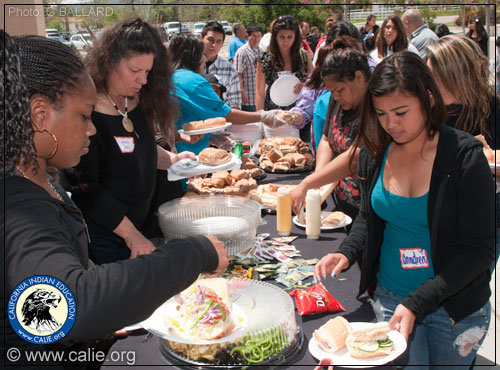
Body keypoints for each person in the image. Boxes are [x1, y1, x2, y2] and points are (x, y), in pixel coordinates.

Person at [2, 30, 228, 368]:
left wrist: (110, 314)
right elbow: (63, 306)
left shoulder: (39, 181)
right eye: (83, 115)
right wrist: (195, 252)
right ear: (39, 115)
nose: (91, 129)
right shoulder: (19, 206)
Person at [314, 52, 494, 367]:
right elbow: (370, 216)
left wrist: (417, 303)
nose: (391, 124)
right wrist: (347, 251)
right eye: (381, 114)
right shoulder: (376, 150)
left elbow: (479, 252)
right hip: (391, 299)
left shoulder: (464, 158)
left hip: (453, 311)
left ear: (428, 98)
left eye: (400, 112)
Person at [69, 18, 197, 264]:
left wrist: (173, 160)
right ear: (109, 62)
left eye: (148, 71)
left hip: (141, 227)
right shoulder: (89, 113)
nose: (144, 80)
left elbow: (140, 149)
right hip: (107, 238)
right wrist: (132, 235)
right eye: (135, 71)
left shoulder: (137, 100)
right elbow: (86, 190)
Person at [426, 35, 500, 270]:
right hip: (436, 224)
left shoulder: (493, 110)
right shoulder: (427, 112)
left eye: (434, 77)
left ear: (456, 76)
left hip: (485, 227)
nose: (428, 85)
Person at [291, 37, 371, 223]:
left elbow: (356, 156)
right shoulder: (337, 98)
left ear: (359, 77)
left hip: (367, 212)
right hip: (342, 203)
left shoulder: (375, 105)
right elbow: (326, 139)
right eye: (331, 91)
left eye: (340, 90)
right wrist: (319, 179)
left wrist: (310, 182)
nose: (335, 96)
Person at [169, 34, 290, 157]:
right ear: (194, 57)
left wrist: (210, 137)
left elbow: (186, 116)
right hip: (188, 157)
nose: (205, 60)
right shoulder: (193, 81)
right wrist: (264, 116)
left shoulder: (174, 77)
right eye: (202, 55)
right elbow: (227, 115)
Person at [256, 15, 313, 139]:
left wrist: (305, 85)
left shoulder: (303, 56)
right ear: (275, 37)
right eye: (282, 37)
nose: (285, 41)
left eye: (290, 37)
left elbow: (315, 83)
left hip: (300, 115)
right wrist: (260, 120)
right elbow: (260, 92)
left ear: (295, 37)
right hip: (274, 116)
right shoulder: (264, 58)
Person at [201, 21, 242, 109]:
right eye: (210, 40)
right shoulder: (189, 66)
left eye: (218, 41)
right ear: (201, 38)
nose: (214, 45)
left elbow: (235, 105)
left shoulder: (230, 70)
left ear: (222, 44)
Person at [234, 24, 263, 112]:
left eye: (258, 36)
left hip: (260, 97)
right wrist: (242, 91)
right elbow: (237, 73)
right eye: (254, 36)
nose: (256, 39)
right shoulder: (242, 52)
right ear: (248, 36)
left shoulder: (262, 51)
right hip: (248, 98)